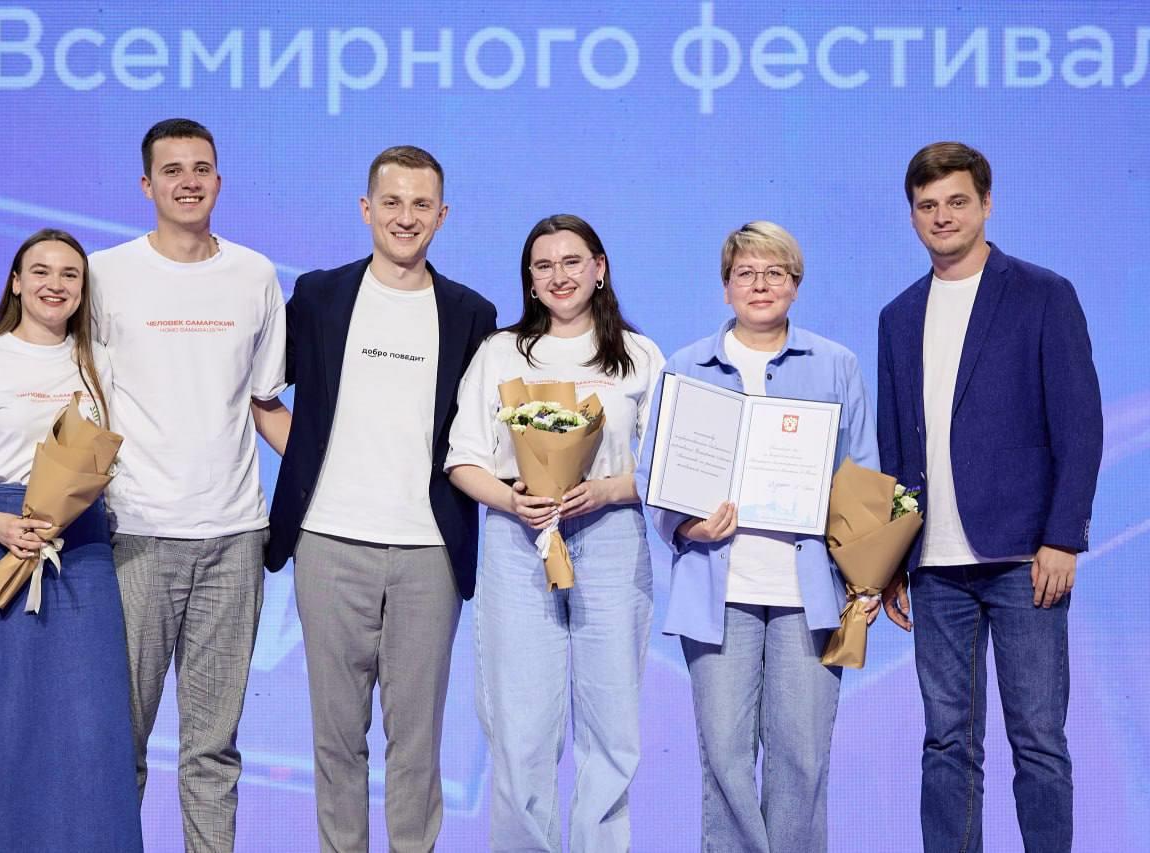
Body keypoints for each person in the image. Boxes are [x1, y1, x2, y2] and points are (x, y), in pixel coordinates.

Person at [266, 145, 496, 852]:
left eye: (421, 204)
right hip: (329, 543)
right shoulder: (318, 296)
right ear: (366, 209)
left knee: (417, 740)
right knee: (336, 737)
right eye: (391, 202)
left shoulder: (471, 313)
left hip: (429, 550)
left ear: (442, 215)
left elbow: (481, 433)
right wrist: (312, 463)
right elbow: (262, 393)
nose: (405, 217)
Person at [877, 142, 1102, 853]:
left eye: (957, 201)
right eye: (927, 205)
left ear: (986, 204)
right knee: (947, 741)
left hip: (1024, 558)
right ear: (912, 216)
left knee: (1037, 737)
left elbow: (1080, 424)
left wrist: (1062, 536)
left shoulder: (1042, 294)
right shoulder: (898, 315)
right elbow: (895, 448)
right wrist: (891, 557)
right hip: (933, 566)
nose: (942, 216)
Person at [636, 221, 878, 853]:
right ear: (726, 287)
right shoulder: (687, 367)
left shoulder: (835, 365)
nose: (760, 285)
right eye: (745, 273)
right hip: (718, 591)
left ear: (796, 285)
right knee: (724, 759)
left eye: (775, 272)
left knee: (802, 759)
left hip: (810, 594)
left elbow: (864, 476)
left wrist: (867, 578)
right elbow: (651, 475)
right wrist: (687, 525)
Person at [89, 118, 289, 852]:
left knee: (213, 748)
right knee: (121, 741)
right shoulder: (104, 274)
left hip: (234, 536)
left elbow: (265, 403)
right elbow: (82, 398)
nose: (188, 181)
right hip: (135, 534)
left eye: (201, 168)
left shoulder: (255, 275)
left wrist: (338, 477)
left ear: (219, 181)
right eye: (172, 170)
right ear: (147, 185)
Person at [0, 228, 142, 852]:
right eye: (40, 271)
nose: (54, 284)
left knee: (88, 728)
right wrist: (0, 525)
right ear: (16, 283)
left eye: (70, 275)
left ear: (83, 290)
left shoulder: (100, 364)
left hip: (79, 551)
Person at [446, 214, 664, 852]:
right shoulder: (501, 352)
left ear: (600, 269)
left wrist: (608, 490)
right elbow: (463, 459)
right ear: (530, 279)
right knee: (521, 726)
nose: (559, 276)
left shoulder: (639, 355)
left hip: (612, 536)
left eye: (573, 262)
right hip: (518, 542)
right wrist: (513, 503)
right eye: (544, 265)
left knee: (612, 724)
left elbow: (663, 467)